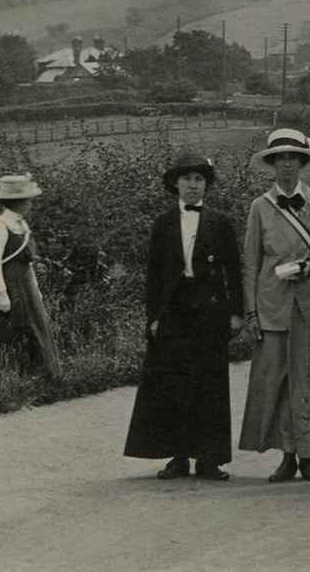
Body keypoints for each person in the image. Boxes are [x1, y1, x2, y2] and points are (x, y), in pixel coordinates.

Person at [124, 155, 244, 481]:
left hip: (210, 309)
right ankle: (178, 458)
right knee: (174, 383)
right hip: (174, 311)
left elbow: (233, 270)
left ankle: (209, 459)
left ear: (206, 185)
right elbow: (154, 275)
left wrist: (236, 313)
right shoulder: (163, 224)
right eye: (187, 179)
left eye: (199, 180)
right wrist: (153, 317)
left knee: (210, 384)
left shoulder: (220, 222)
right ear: (175, 183)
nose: (193, 185)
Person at [239, 129, 310, 483]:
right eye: (280, 158)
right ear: (273, 164)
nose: (286, 164)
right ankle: (287, 454)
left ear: (302, 163)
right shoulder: (260, 207)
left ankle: (309, 454)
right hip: (273, 307)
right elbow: (251, 263)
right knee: (279, 382)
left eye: (293, 158)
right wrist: (251, 312)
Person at [0, 174, 64, 378]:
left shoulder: (21, 225)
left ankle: (44, 378)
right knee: (11, 332)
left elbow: (28, 263)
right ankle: (12, 379)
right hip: (9, 287)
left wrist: (35, 289)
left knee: (38, 327)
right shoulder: (0, 227)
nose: (30, 204)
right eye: (27, 200)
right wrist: (2, 294)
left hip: (26, 287)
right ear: (17, 202)